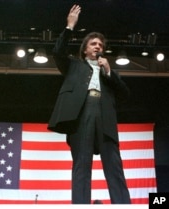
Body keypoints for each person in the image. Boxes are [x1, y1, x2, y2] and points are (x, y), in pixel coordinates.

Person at [48, 4, 131, 204]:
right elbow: (58, 52)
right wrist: (69, 27)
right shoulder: (74, 66)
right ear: (85, 49)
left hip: (105, 117)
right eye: (93, 44)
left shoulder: (108, 72)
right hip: (81, 114)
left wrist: (109, 73)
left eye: (101, 45)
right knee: (81, 168)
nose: (98, 47)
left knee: (114, 168)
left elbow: (125, 94)